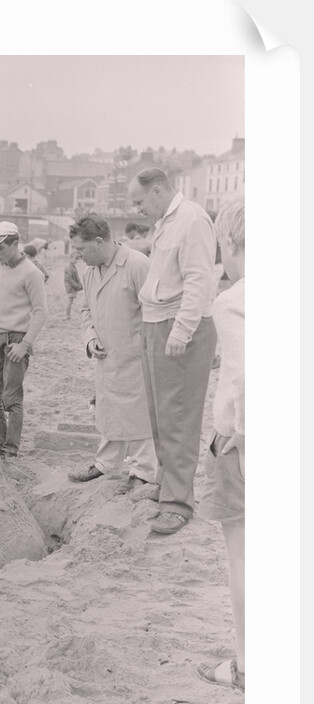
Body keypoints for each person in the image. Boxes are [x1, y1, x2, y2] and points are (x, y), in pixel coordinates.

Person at [128, 167, 220, 534]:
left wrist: (183, 330)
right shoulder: (165, 221)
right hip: (155, 322)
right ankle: (167, 485)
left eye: (139, 201)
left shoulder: (192, 219)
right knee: (159, 413)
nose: (137, 210)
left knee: (178, 416)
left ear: (158, 189)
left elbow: (200, 278)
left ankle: (179, 503)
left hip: (179, 326)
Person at [65, 215, 158, 495]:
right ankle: (106, 464)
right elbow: (86, 311)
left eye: (81, 250)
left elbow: (156, 310)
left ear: (98, 241)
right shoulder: (90, 272)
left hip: (137, 356)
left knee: (140, 415)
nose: (77, 255)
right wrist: (90, 338)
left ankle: (143, 472)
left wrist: (145, 347)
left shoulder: (138, 265)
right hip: (106, 357)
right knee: (108, 412)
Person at [196, 196, 245, 692]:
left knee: (244, 559)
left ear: (229, 240)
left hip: (242, 444)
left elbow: (250, 372)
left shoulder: (233, 301)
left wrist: (242, 431)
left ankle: (248, 664)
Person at [0, 220, 48, 460]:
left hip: (17, 339)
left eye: (1, 248)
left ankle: (11, 449)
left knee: (11, 397)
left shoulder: (32, 273)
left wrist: (25, 344)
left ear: (15, 243)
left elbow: (41, 312)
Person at [63, 252, 83, 318]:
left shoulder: (72, 266)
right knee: (69, 302)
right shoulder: (68, 267)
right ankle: (67, 315)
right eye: (75, 259)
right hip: (70, 288)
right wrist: (77, 286)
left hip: (72, 287)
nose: (76, 261)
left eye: (77, 259)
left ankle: (68, 315)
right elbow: (69, 279)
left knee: (70, 302)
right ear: (70, 258)